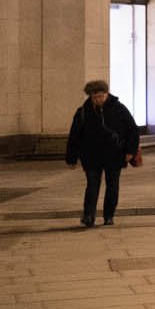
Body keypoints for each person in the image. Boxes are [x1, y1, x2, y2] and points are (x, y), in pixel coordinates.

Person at [64, 80, 141, 227]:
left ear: (106, 94)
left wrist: (130, 151)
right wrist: (71, 158)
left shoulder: (119, 109)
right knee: (92, 185)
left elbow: (132, 130)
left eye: (101, 96)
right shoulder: (83, 112)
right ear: (90, 96)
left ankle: (109, 216)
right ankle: (88, 216)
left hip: (114, 155)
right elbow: (74, 136)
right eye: (95, 97)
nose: (98, 99)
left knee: (112, 186)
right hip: (91, 156)